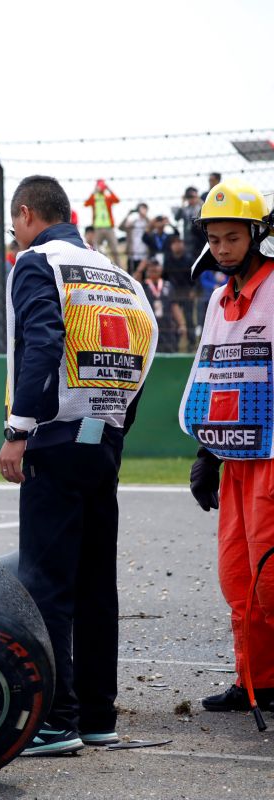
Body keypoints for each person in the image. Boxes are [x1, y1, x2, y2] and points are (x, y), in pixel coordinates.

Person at [0, 175, 158, 756]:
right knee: (96, 586)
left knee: (46, 585)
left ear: (26, 214)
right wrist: (116, 428)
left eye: (14, 225)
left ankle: (55, 721)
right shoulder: (121, 277)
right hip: (105, 442)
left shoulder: (37, 263)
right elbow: (145, 353)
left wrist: (19, 428)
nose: (14, 236)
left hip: (54, 438)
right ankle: (97, 716)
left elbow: (42, 341)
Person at [179, 179, 274, 715]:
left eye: (233, 237)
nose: (222, 248)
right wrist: (207, 454)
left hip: (273, 454)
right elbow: (214, 378)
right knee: (239, 576)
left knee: (272, 576)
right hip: (236, 456)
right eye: (214, 239)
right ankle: (257, 682)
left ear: (258, 235)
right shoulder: (218, 298)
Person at [140, 258, 181, 353]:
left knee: (170, 352)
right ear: (148, 270)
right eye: (151, 267)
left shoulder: (168, 286)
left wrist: (181, 324)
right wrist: (140, 269)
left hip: (167, 326)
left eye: (156, 266)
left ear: (160, 269)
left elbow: (174, 305)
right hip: (150, 326)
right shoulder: (142, 286)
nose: (154, 269)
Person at [163, 236, 196, 349]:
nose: (178, 245)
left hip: (187, 292)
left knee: (189, 318)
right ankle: (175, 343)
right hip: (173, 293)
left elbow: (194, 277)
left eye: (180, 242)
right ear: (171, 246)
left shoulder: (189, 259)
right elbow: (165, 277)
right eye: (175, 243)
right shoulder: (168, 260)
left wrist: (193, 290)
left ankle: (191, 343)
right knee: (174, 319)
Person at [84, 179, 122, 264]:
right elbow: (86, 203)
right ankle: (97, 264)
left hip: (109, 227)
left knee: (114, 249)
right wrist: (94, 191)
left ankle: (119, 268)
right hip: (97, 228)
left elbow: (117, 200)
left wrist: (109, 189)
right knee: (96, 248)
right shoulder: (95, 198)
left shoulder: (107, 198)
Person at [174, 186, 206, 256]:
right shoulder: (184, 209)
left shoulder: (200, 206)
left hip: (199, 239)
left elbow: (207, 210)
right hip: (188, 239)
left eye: (193, 196)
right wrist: (182, 202)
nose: (191, 199)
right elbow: (176, 218)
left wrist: (199, 199)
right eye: (189, 197)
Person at [119, 203, 150, 276]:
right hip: (132, 254)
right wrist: (128, 215)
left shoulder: (147, 222)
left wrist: (145, 216)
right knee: (131, 275)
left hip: (144, 255)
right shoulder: (133, 223)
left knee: (143, 275)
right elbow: (120, 227)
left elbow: (152, 226)